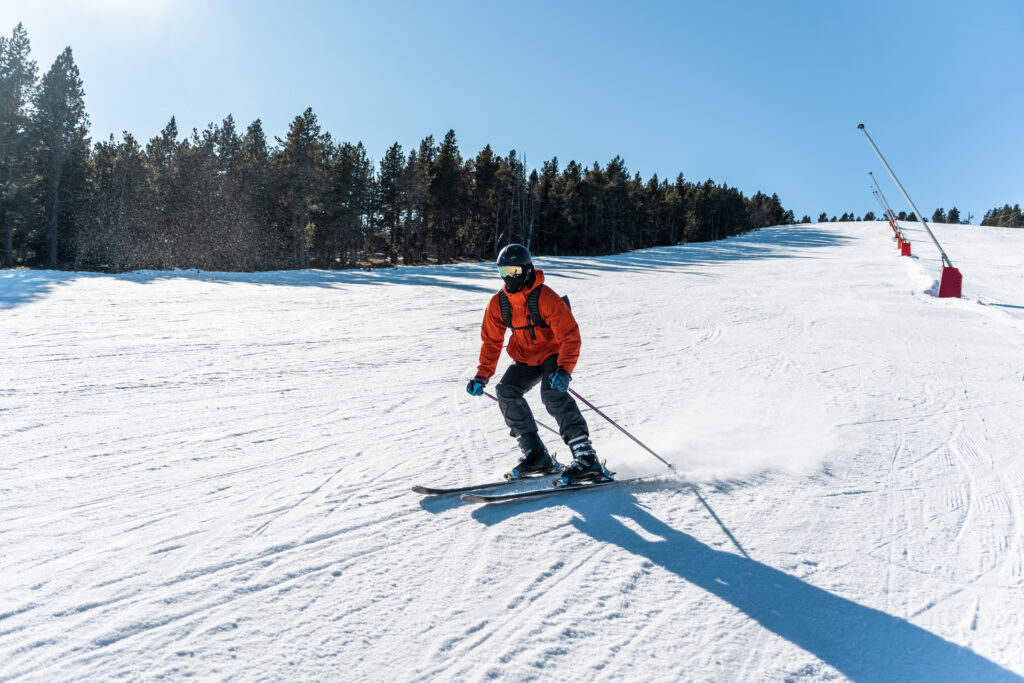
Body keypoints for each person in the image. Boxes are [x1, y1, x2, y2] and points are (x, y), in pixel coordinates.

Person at [466, 244, 605, 483]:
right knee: (505, 391)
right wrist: (482, 375)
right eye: (503, 271)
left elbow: (570, 336)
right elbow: (491, 342)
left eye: (514, 271)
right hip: (525, 356)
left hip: (553, 353)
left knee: (552, 393)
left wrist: (564, 370)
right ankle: (535, 453)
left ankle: (586, 456)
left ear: (528, 270)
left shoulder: (546, 297)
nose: (509, 277)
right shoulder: (498, 303)